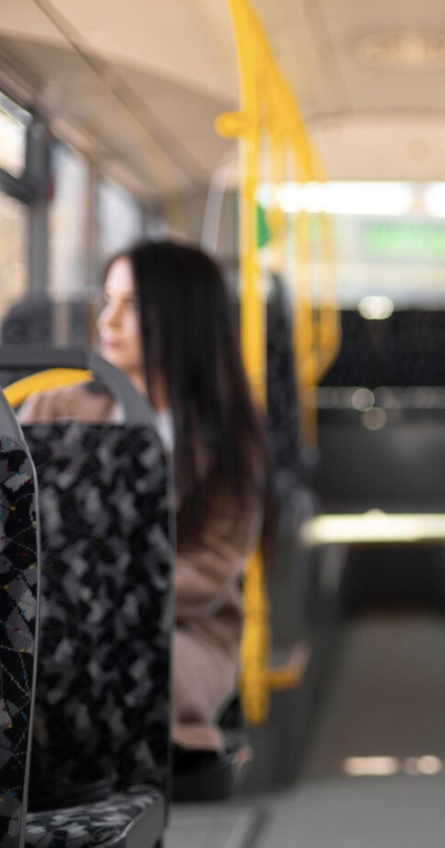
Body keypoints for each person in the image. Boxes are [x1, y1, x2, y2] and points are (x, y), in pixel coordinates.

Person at [22, 239, 267, 757]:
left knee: (92, 661)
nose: (107, 321)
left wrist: (91, 602)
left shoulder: (224, 435)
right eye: (107, 300)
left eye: (131, 306)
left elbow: (209, 567)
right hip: (45, 615)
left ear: (183, 317)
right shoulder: (50, 408)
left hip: (180, 630)